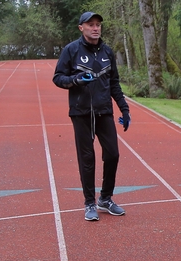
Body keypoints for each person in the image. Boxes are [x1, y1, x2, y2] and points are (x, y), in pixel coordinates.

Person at [53, 11, 131, 221]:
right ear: (82, 28)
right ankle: (89, 203)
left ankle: (105, 198)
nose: (95, 28)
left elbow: (114, 82)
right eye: (91, 25)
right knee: (87, 159)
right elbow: (58, 78)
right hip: (81, 112)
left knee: (113, 154)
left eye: (98, 25)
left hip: (104, 110)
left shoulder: (107, 51)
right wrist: (76, 80)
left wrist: (124, 109)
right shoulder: (71, 50)